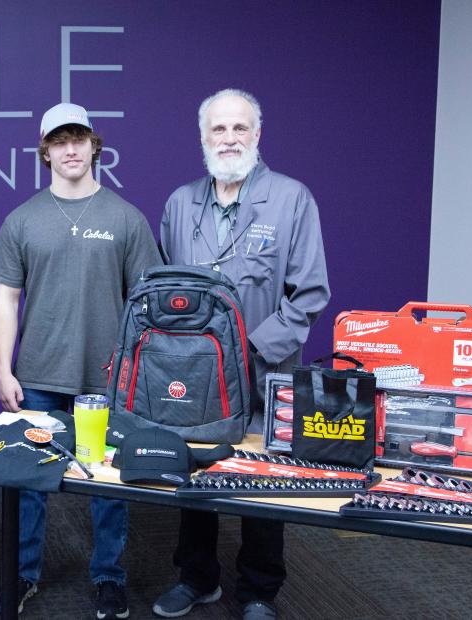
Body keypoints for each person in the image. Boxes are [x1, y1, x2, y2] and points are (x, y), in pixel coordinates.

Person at [152, 88, 330, 620]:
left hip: (265, 370)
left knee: (263, 474)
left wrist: (248, 349)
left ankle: (258, 591)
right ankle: (197, 578)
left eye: (240, 128)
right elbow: (165, 286)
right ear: (203, 137)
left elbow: (310, 294)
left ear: (257, 134)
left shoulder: (292, 198)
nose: (229, 138)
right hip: (193, 372)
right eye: (219, 129)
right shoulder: (180, 203)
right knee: (196, 468)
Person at [0, 103, 161, 618]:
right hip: (37, 374)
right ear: (45, 151)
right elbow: (5, 301)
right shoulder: (23, 219)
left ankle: (109, 577)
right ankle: (21, 575)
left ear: (93, 145)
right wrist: (2, 368)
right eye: (59, 141)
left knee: (107, 485)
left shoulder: (126, 217)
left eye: (78, 139)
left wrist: (137, 374)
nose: (69, 149)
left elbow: (146, 303)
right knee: (27, 483)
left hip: (107, 379)